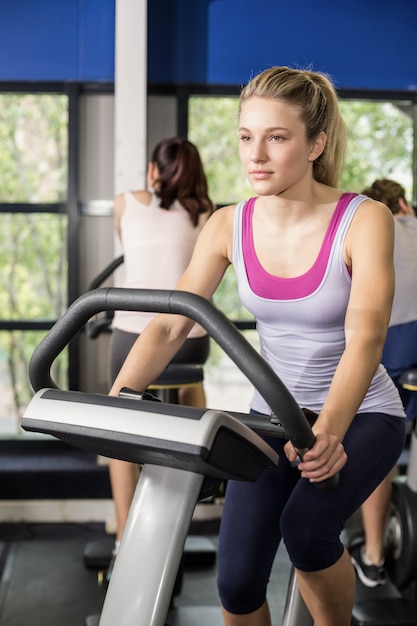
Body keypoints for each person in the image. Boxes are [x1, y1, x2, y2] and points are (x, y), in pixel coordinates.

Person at [108, 66, 406, 626]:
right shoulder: (227, 224)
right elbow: (173, 323)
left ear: (315, 143)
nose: (256, 154)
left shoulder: (364, 220)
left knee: (305, 530)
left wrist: (330, 432)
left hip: (361, 414)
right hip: (273, 416)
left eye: (277, 137)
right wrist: (122, 394)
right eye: (247, 137)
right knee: (237, 582)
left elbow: (366, 340)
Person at [108, 136, 214, 561]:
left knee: (115, 421)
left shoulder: (124, 203)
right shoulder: (206, 213)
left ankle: (123, 542)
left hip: (133, 334)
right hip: (190, 341)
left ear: (155, 170)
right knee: (189, 392)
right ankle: (198, 454)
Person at [349, 179, 417, 588]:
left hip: (391, 358)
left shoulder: (370, 236)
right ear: (404, 204)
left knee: (381, 455)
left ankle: (373, 558)